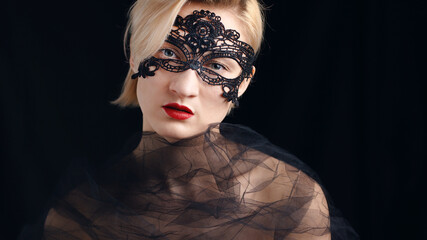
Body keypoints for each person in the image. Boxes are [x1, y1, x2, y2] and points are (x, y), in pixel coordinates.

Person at [26, 0, 358, 239]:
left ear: (242, 82)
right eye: (168, 53)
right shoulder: (76, 219)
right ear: (134, 54)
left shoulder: (287, 198)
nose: (184, 87)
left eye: (217, 66)